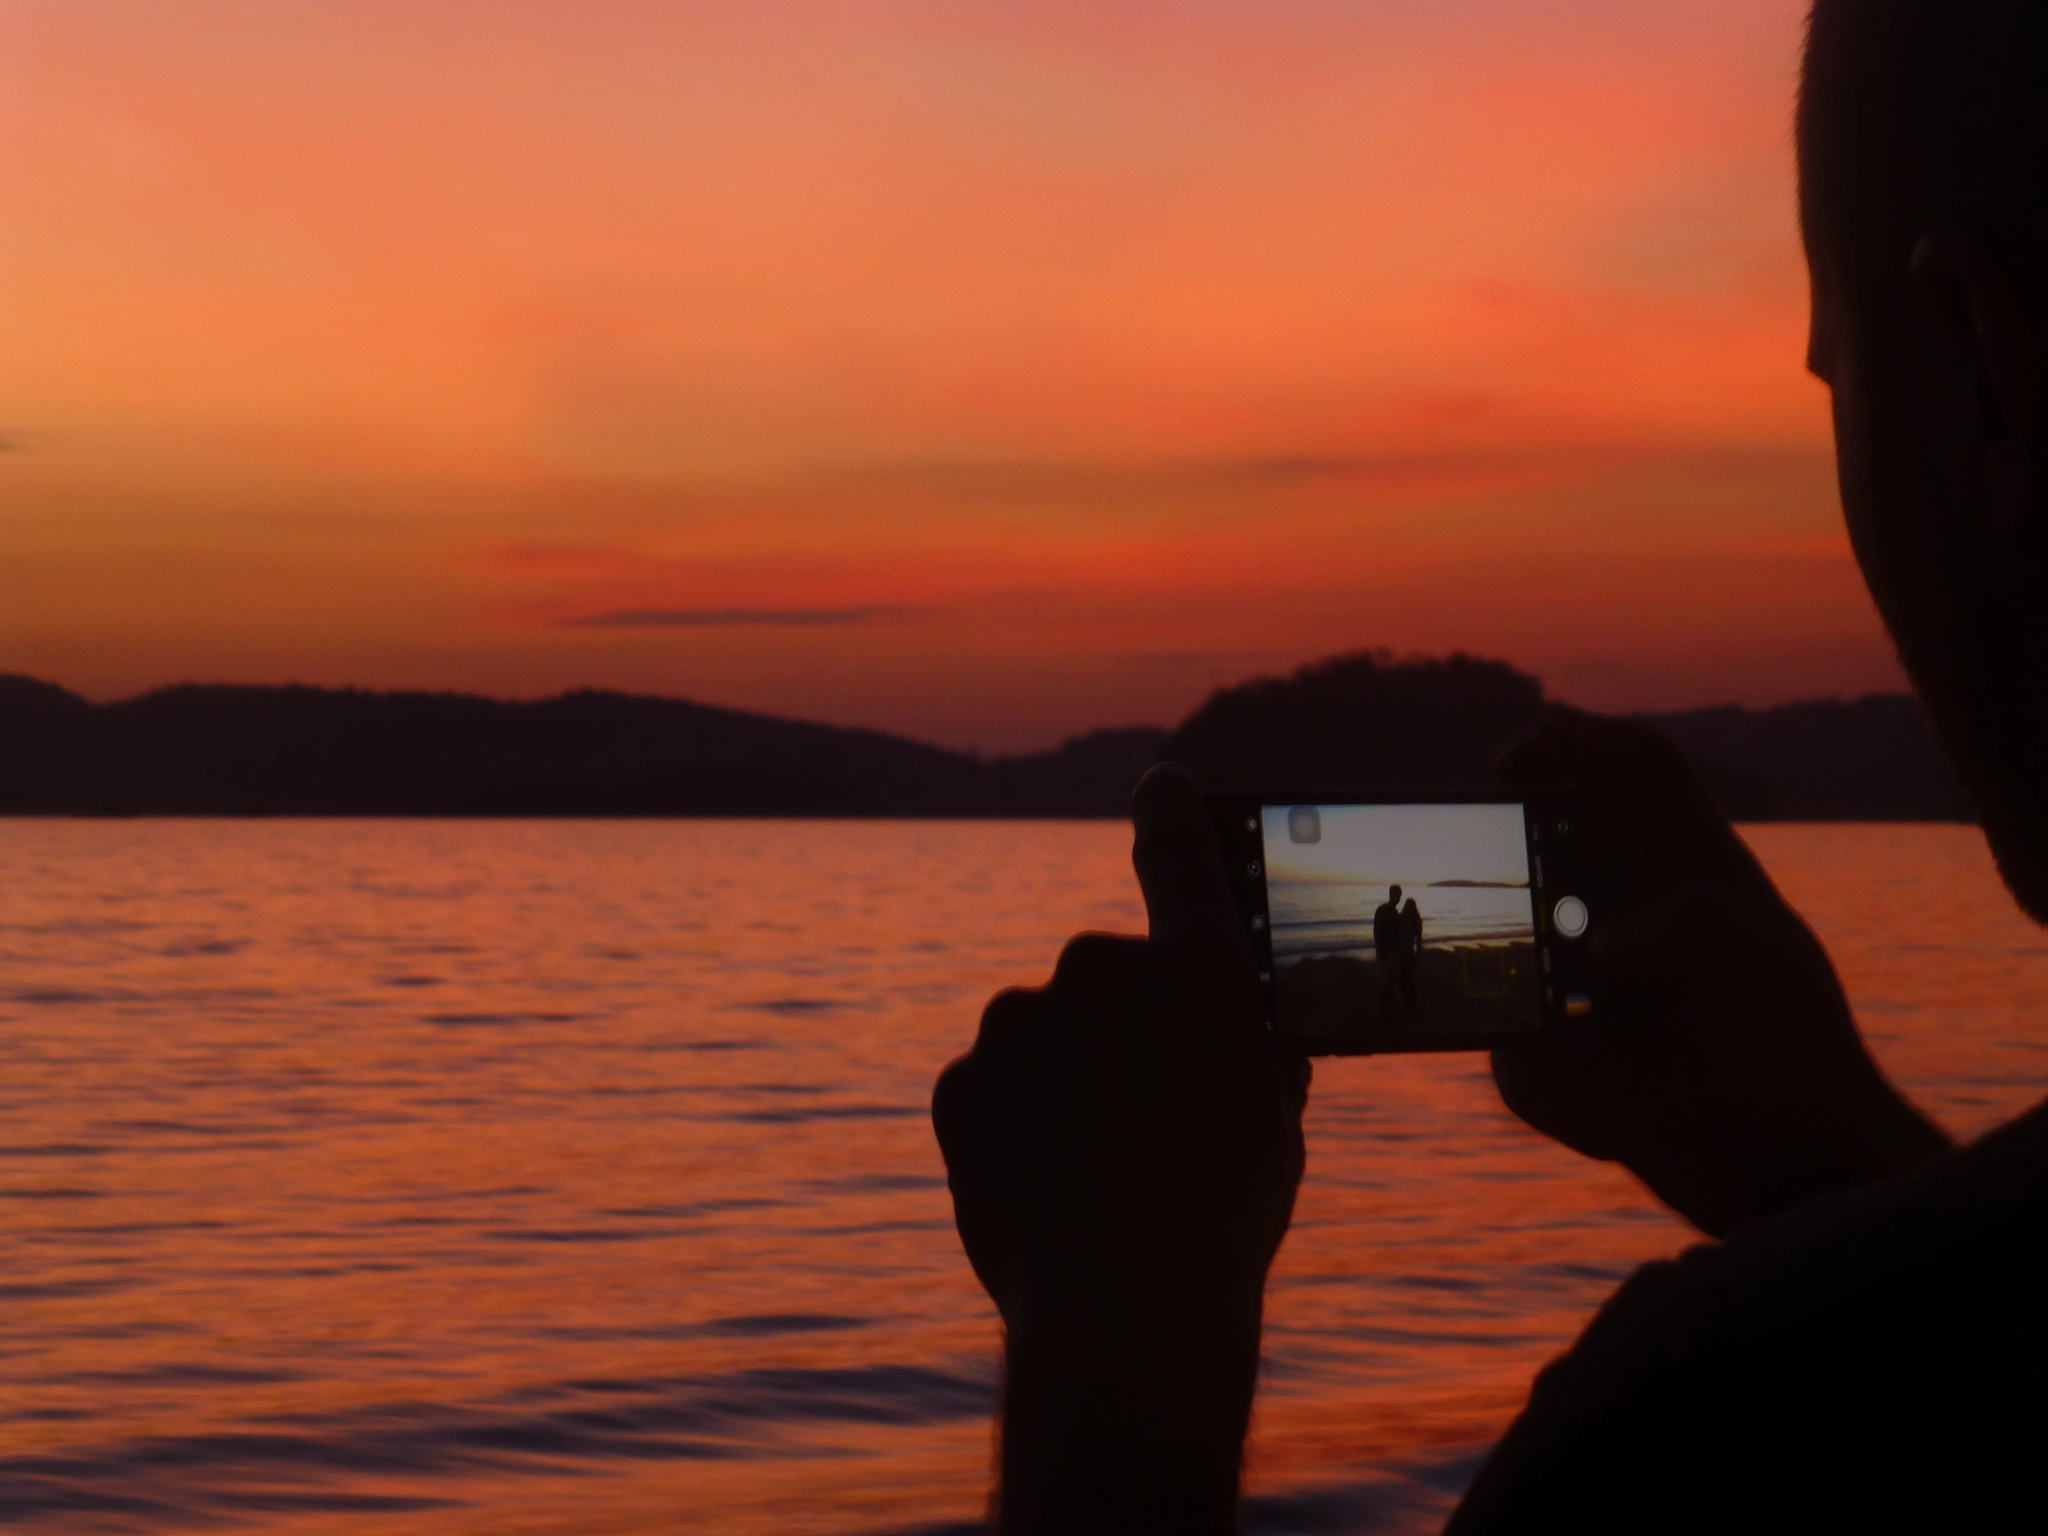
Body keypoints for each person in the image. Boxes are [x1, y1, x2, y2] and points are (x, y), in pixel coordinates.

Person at [929, 1, 2048, 1527]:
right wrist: (1820, 1158)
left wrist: (1116, 1357)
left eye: (1835, 377)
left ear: (1988, 371)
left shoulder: (1696, 1443)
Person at [1372, 884, 1404, 1017]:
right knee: (1384, 984)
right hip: (1386, 952)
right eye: (1396, 895)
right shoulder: (1382, 910)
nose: (1397, 898)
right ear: (1391, 895)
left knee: (1390, 983)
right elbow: (1376, 931)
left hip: (1394, 952)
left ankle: (1388, 1010)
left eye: (1398, 895)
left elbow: (1398, 933)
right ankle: (1383, 1011)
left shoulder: (1395, 913)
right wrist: (1380, 949)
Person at [1399, 895, 1423, 1013]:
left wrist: (1418, 954)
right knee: (1406, 978)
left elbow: (1418, 940)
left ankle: (1409, 1003)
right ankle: (1408, 1002)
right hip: (1404, 952)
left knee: (1407, 979)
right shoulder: (1402, 918)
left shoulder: (1414, 920)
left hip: (1407, 952)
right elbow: (1418, 940)